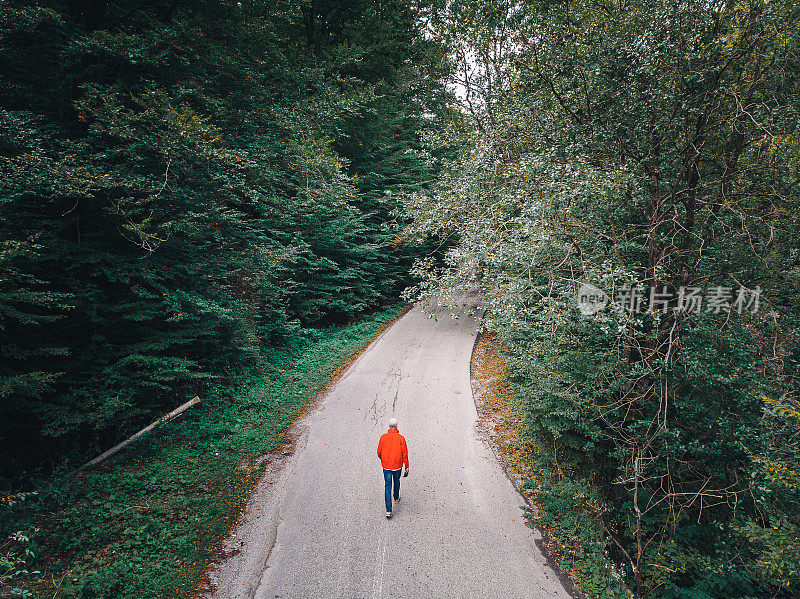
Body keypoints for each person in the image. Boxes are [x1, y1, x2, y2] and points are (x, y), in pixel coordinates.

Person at [377, 418, 409, 518]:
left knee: (387, 486)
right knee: (396, 480)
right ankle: (396, 497)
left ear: (389, 426)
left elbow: (379, 451)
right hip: (397, 465)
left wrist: (383, 459)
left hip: (386, 466)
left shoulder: (383, 437)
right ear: (397, 426)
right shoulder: (401, 438)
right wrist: (407, 466)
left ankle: (388, 510)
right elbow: (404, 453)